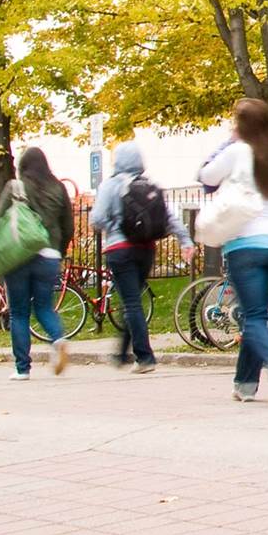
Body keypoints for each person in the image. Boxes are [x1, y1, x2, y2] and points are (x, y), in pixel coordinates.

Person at [198, 98, 268, 407]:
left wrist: (228, 143)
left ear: (242, 126)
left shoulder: (237, 152)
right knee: (257, 315)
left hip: (243, 245)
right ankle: (245, 384)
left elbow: (206, 176)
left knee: (253, 316)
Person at [89, 140, 193, 373]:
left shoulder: (111, 185)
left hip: (120, 249)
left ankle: (145, 357)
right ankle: (122, 353)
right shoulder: (151, 186)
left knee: (131, 303)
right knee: (132, 300)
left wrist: (114, 224)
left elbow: (96, 219)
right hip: (146, 250)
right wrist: (185, 240)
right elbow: (169, 218)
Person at [0, 147, 74, 380]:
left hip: (19, 255)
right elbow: (68, 226)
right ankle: (58, 339)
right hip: (49, 255)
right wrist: (60, 251)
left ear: (23, 166)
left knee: (19, 312)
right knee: (44, 306)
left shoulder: (15, 187)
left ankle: (22, 368)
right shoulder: (58, 188)